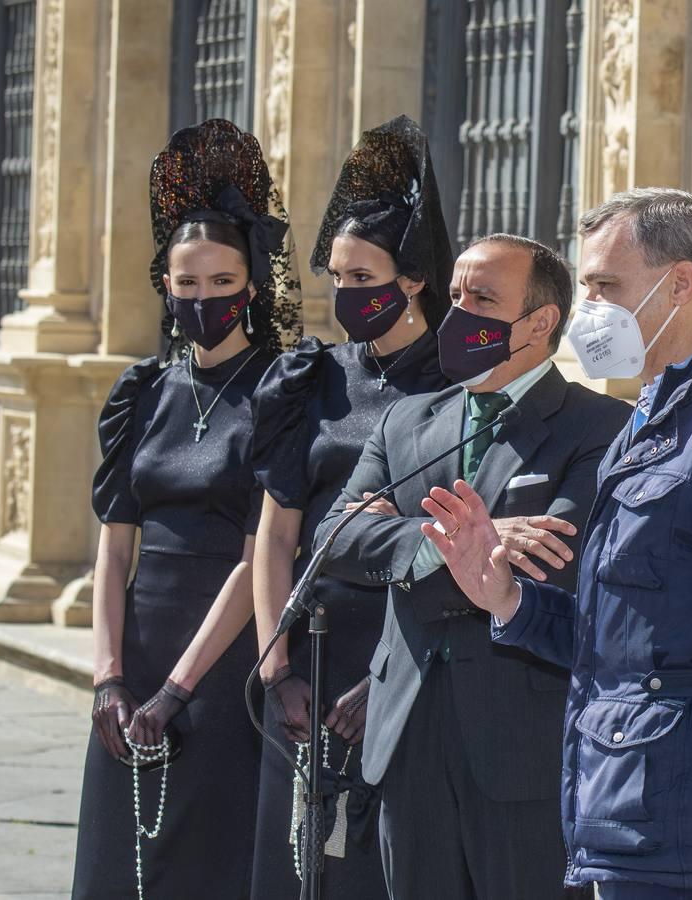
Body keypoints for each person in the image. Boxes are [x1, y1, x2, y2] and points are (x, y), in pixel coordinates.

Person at [420, 188, 692, 899]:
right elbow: (622, 636)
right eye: (587, 287)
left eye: (607, 286)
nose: (591, 309)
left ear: (681, 284)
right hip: (631, 824)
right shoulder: (652, 422)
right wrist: (509, 598)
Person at [315, 232, 630, 899]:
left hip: (522, 749)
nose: (458, 315)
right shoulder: (406, 421)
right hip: (405, 737)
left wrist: (398, 536)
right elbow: (333, 540)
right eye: (455, 296)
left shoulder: (598, 425)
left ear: (540, 322)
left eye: (483, 299)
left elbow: (550, 563)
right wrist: (443, 544)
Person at [75, 119, 301, 899]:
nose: (203, 298)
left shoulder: (283, 391)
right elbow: (112, 547)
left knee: (208, 862)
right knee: (118, 865)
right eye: (188, 283)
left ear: (253, 286)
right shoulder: (141, 390)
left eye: (222, 283)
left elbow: (259, 555)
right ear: (165, 286)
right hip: (136, 655)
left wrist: (179, 687)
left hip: (225, 658)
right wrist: (109, 677)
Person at [248, 116, 452, 898]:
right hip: (306, 651)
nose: (343, 294)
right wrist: (276, 664)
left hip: (406, 654)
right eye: (335, 275)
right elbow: (275, 536)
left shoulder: (456, 387)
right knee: (293, 870)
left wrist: (387, 678)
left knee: (374, 869)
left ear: (413, 280)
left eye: (363, 279)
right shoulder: (311, 378)